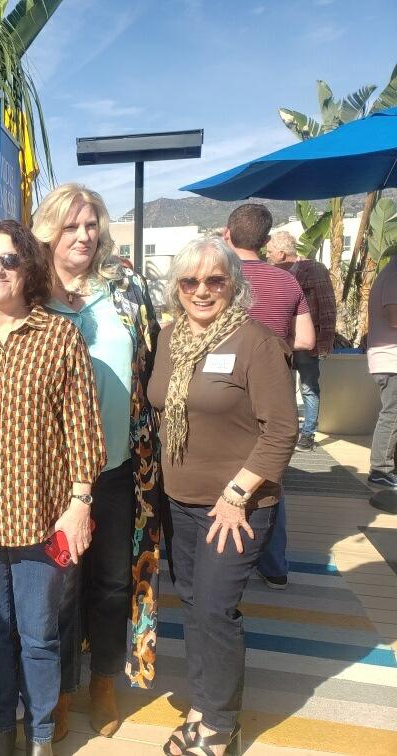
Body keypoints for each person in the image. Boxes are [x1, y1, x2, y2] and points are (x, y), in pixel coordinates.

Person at [0, 219, 106, 756]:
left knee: (39, 637)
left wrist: (80, 503)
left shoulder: (60, 336)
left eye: (9, 260)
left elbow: (84, 429)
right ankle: (0, 729)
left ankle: (40, 735)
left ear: (28, 270)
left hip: (42, 519)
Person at [149, 237, 297, 756]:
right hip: (180, 500)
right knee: (191, 605)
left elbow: (281, 429)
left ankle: (221, 724)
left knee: (215, 608)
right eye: (190, 281)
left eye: (215, 280)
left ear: (235, 283)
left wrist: (238, 494)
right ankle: (203, 702)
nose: (203, 290)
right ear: (177, 287)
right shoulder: (168, 338)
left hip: (237, 505)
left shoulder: (256, 342)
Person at [31, 184, 165, 737]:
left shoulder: (126, 290)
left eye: (91, 225)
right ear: (47, 234)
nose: (83, 236)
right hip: (50, 476)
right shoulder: (29, 292)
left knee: (111, 581)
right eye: (70, 226)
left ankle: (104, 681)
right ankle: (59, 690)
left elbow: (154, 364)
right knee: (58, 589)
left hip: (117, 471)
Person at [224, 203, 313, 591]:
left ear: (229, 234)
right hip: (273, 391)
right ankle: (275, 565)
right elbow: (307, 340)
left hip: (225, 389)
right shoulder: (287, 282)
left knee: (228, 472)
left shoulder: (219, 278)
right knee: (270, 475)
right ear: (265, 240)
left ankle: (225, 562)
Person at [266, 229, 337, 451]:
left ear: (280, 253)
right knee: (279, 387)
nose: (266, 256)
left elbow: (328, 306)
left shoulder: (314, 270)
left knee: (308, 387)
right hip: (281, 341)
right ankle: (284, 432)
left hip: (308, 342)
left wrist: (324, 343)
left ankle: (308, 434)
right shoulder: (273, 273)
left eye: (268, 252)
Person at [367, 253, 397, 488]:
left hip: (389, 359)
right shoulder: (393, 275)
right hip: (390, 359)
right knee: (392, 415)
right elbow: (394, 316)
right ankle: (381, 469)